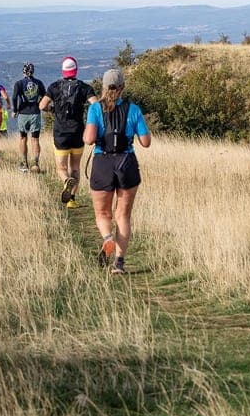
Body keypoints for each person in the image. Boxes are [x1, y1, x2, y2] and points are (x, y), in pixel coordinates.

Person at [84, 68, 151, 275]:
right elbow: (146, 142)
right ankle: (119, 263)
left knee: (103, 213)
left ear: (103, 87)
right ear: (123, 87)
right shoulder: (134, 109)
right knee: (123, 216)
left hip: (103, 162)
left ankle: (107, 238)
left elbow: (88, 139)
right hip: (127, 163)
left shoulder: (95, 109)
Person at [39, 56, 97, 208]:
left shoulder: (54, 87)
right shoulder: (85, 88)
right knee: (76, 167)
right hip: (78, 132)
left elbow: (42, 105)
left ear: (63, 71)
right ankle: (71, 200)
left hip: (61, 133)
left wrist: (53, 110)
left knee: (61, 168)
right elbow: (95, 105)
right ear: (76, 70)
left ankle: (66, 181)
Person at [12, 62, 47, 173]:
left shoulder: (19, 83)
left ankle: (24, 163)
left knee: (23, 138)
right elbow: (44, 96)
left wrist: (15, 110)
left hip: (23, 113)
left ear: (23, 72)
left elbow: (14, 97)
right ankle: (35, 163)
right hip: (35, 113)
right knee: (35, 139)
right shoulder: (39, 83)